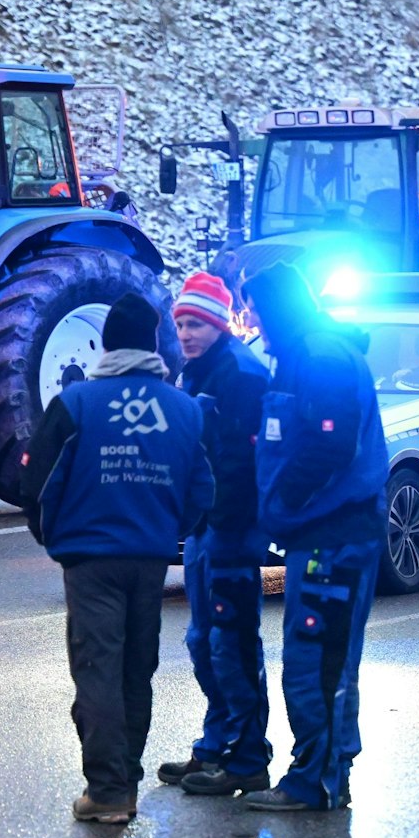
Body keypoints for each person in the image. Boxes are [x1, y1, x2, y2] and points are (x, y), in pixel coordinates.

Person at [19, 293, 215, 824]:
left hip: (89, 558)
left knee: (98, 668)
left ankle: (108, 792)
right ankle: (124, 776)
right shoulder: (183, 408)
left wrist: (50, 534)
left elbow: (35, 479)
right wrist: (168, 531)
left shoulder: (77, 402)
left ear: (105, 343)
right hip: (150, 557)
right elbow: (202, 490)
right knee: (136, 669)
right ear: (153, 343)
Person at [239, 263, 387, 813]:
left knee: (316, 661)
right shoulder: (301, 354)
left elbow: (330, 445)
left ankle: (316, 781)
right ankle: (327, 773)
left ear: (279, 306)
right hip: (322, 536)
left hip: (335, 538)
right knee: (323, 659)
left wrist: (283, 504)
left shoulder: (320, 358)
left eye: (254, 305)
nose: (250, 317)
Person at [156, 273, 276, 797]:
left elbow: (242, 459)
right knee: (204, 641)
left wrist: (225, 519)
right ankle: (215, 746)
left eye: (196, 323)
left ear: (217, 323)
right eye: (181, 323)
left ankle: (246, 756)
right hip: (208, 526)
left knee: (231, 644)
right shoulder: (198, 369)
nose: (185, 332)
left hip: (231, 526)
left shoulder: (240, 374)